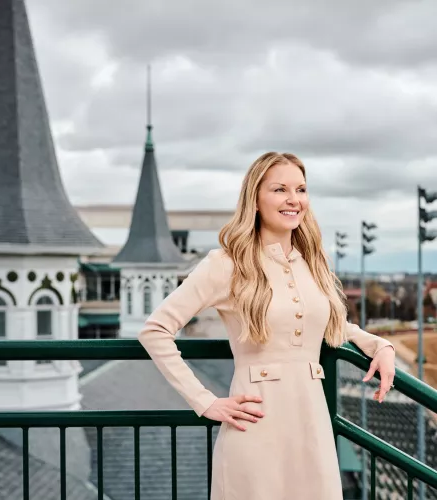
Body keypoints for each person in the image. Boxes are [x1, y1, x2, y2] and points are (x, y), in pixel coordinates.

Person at [138, 152, 397, 499]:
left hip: (312, 425)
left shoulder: (313, 263)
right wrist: (205, 401)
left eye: (301, 189)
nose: (294, 200)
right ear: (255, 200)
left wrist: (379, 346)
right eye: (280, 189)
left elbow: (334, 326)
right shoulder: (226, 264)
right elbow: (155, 330)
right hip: (255, 425)